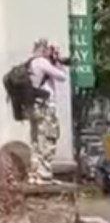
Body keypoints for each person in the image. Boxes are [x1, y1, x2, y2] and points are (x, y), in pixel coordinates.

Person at [27, 39, 68, 183]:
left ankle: (34, 174)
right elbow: (62, 76)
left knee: (36, 139)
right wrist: (57, 62)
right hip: (45, 106)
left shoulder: (30, 63)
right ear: (45, 50)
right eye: (51, 50)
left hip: (33, 106)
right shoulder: (42, 63)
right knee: (48, 137)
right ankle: (44, 174)